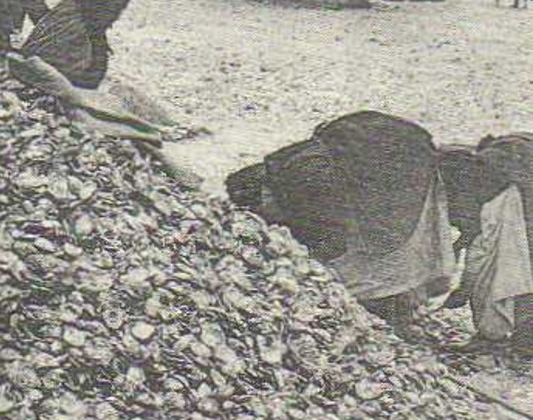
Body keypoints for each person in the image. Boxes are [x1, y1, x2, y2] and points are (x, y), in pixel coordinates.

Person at [227, 112, 455, 335]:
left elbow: (336, 238)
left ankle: (398, 306)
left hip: (399, 165)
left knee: (387, 241)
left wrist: (301, 266)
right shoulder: (278, 167)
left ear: (264, 194)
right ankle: (394, 300)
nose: (271, 218)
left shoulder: (310, 184)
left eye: (263, 211)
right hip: (373, 148)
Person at [437, 136, 533, 351]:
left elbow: (477, 234)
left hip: (517, 212)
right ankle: (522, 340)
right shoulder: (497, 166)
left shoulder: (478, 177)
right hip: (517, 206)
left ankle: (501, 337)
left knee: (499, 271)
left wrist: (462, 288)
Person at [20, 0, 132, 90]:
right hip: (55, 80)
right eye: (117, 10)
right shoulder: (84, 25)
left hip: (32, 68)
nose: (117, 16)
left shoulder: (70, 6)